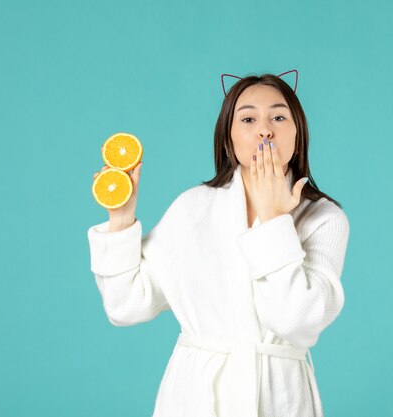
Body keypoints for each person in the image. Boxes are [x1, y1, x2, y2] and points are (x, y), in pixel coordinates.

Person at [87, 70, 350, 417]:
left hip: (280, 398)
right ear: (228, 138)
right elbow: (126, 305)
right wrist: (121, 220)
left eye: (279, 116)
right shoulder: (192, 208)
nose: (265, 128)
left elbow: (296, 321)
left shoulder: (323, 218)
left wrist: (273, 220)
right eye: (248, 118)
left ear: (298, 135)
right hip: (195, 396)